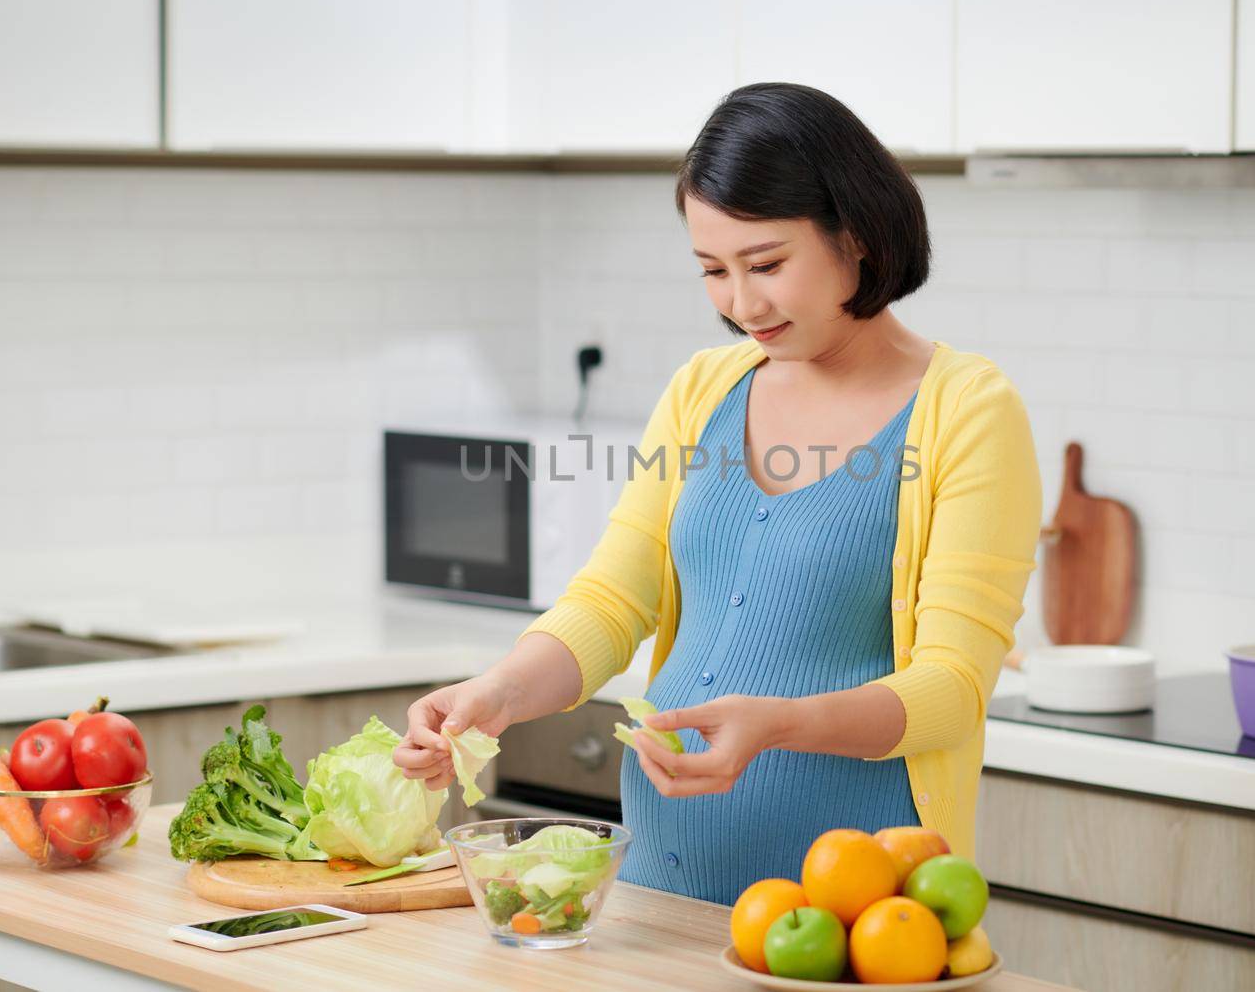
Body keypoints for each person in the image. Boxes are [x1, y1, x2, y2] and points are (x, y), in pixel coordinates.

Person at [392, 83, 1043, 906]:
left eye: (767, 264)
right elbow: (610, 601)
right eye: (713, 270)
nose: (742, 304)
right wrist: (499, 693)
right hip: (663, 895)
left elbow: (952, 691)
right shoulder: (704, 388)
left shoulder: (969, 411)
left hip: (859, 916)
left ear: (857, 236)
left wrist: (779, 724)